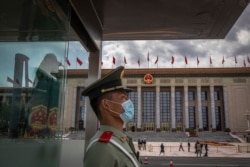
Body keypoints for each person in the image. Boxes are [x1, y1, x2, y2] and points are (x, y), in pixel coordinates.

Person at [82, 66, 142, 167]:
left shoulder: (120, 140)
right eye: (123, 98)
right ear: (106, 105)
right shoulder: (101, 149)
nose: (128, 103)